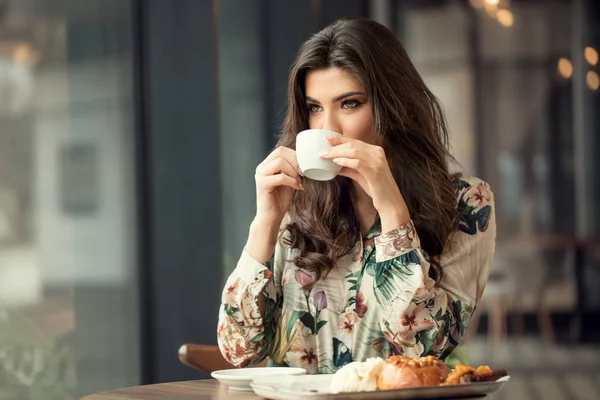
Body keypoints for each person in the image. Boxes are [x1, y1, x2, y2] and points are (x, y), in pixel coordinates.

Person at [217, 17, 495, 374]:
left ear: (394, 106)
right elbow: (238, 351)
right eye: (314, 107)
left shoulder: (467, 202)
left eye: (349, 103)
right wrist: (265, 224)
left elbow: (423, 347)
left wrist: (392, 207)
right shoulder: (295, 201)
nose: (327, 128)